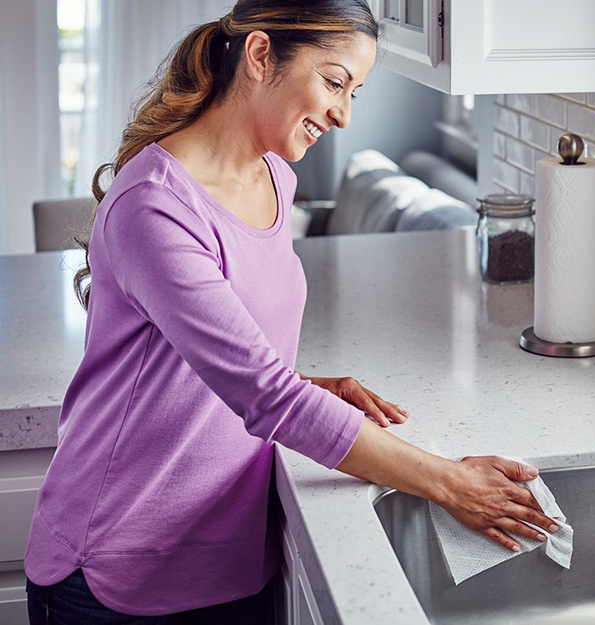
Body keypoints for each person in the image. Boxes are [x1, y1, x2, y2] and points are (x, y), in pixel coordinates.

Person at [23, 1, 557, 623]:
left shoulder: (276, 176)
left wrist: (308, 386)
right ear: (258, 55)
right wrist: (448, 481)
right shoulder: (153, 207)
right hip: (119, 565)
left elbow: (227, 365)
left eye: (354, 90)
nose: (344, 113)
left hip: (231, 557)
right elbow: (265, 396)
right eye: (334, 82)